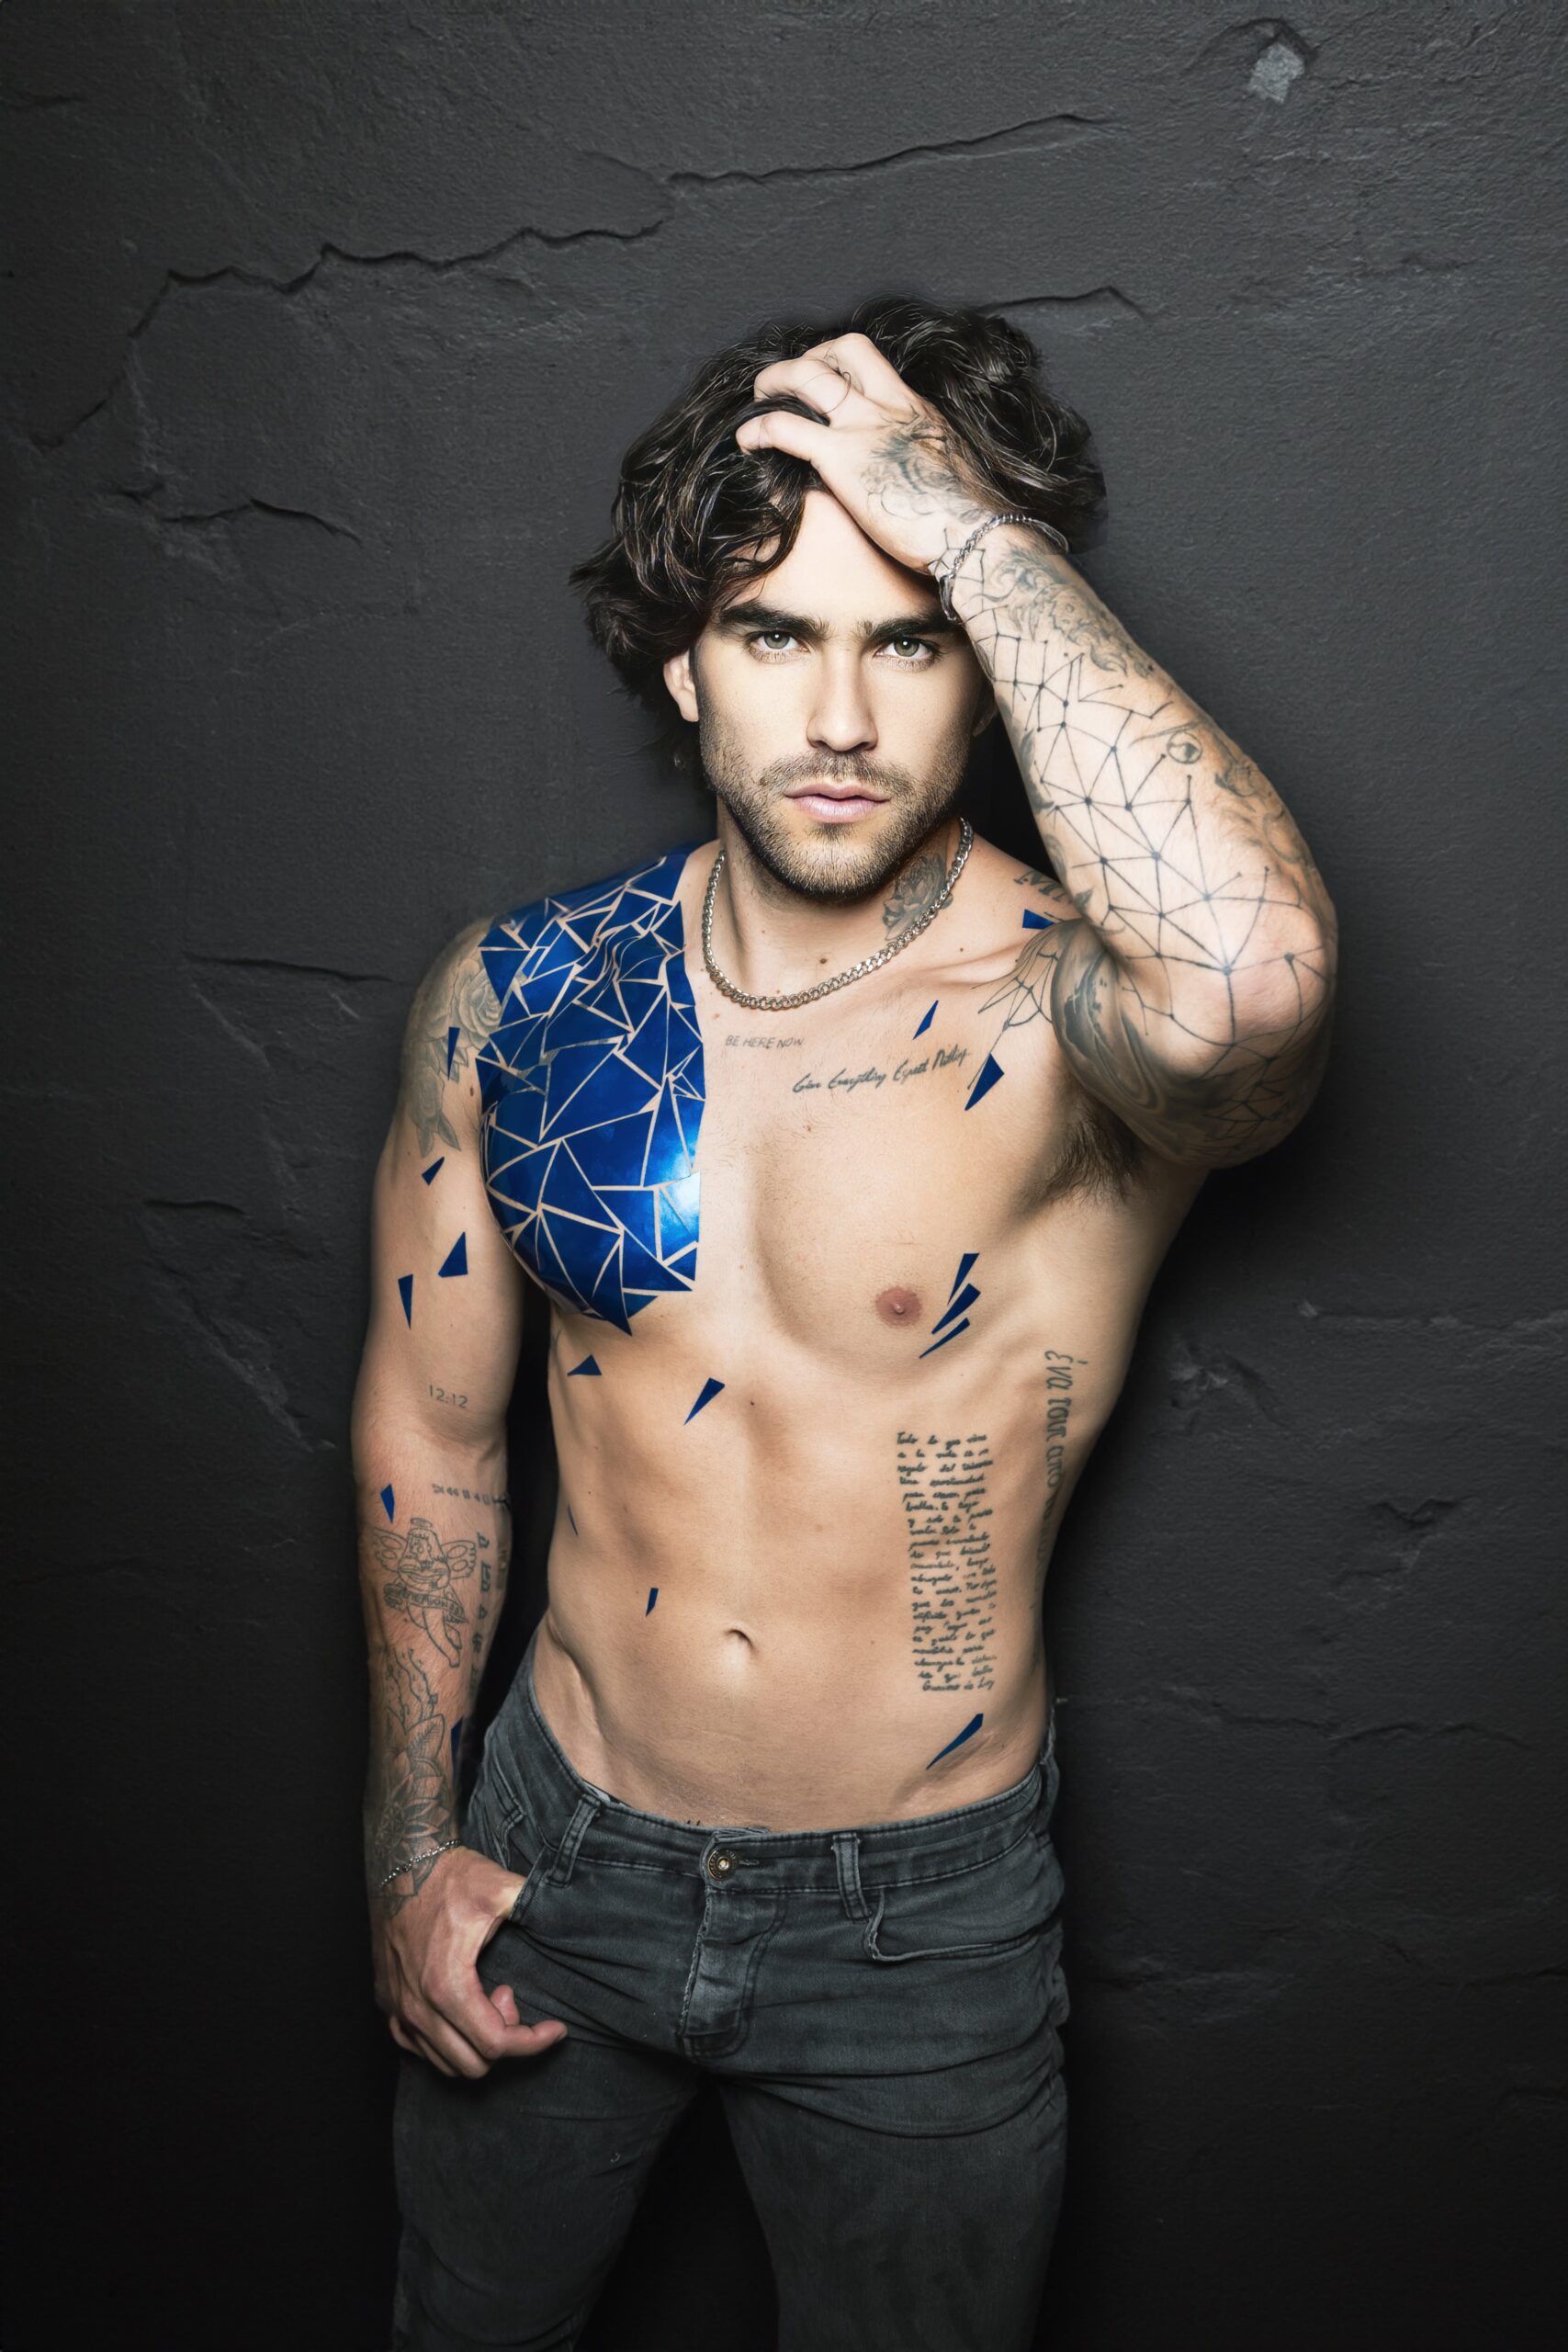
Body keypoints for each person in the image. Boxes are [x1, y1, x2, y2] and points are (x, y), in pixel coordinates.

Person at [354, 292, 1337, 2351]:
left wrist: (964, 522)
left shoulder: (1065, 1018)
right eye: (772, 633)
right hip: (553, 1853)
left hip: (914, 1919)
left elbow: (1254, 987)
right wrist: (411, 1845)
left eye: (907, 641)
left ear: (985, 670)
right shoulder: (522, 998)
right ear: (682, 663)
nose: (839, 717)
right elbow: (434, 1442)